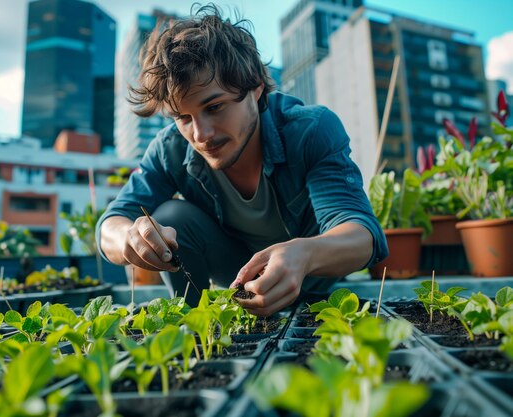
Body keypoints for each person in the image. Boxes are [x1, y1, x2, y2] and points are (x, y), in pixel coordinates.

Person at [97, 4, 388, 316]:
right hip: (238, 281)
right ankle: (194, 328)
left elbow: (362, 236)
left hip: (313, 280)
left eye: (215, 107)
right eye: (183, 117)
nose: (201, 135)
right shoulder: (169, 149)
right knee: (171, 215)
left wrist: (304, 254)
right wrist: (130, 238)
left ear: (255, 86)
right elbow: (110, 225)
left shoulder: (310, 130)